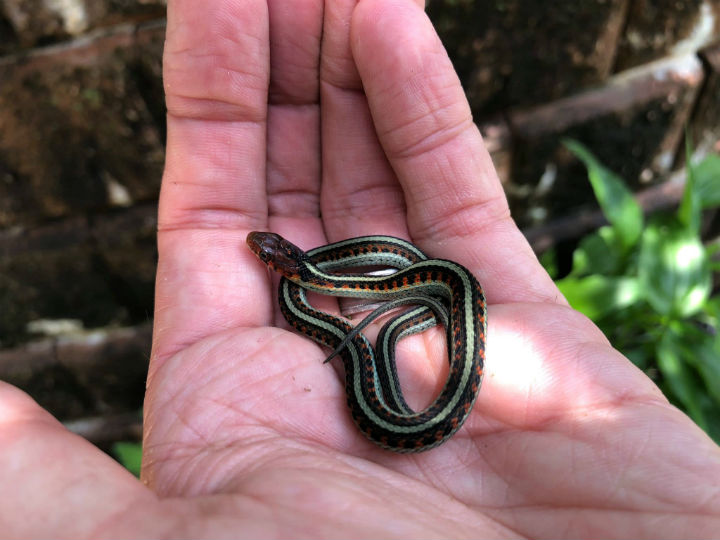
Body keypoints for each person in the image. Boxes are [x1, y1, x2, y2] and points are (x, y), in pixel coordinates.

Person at [2, 0, 719, 537]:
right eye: (265, 254)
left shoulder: (331, 287)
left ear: (286, 268)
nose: (261, 255)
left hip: (417, 330)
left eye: (266, 253)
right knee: (378, 317)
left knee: (422, 295)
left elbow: (366, 289)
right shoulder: (312, 290)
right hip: (386, 309)